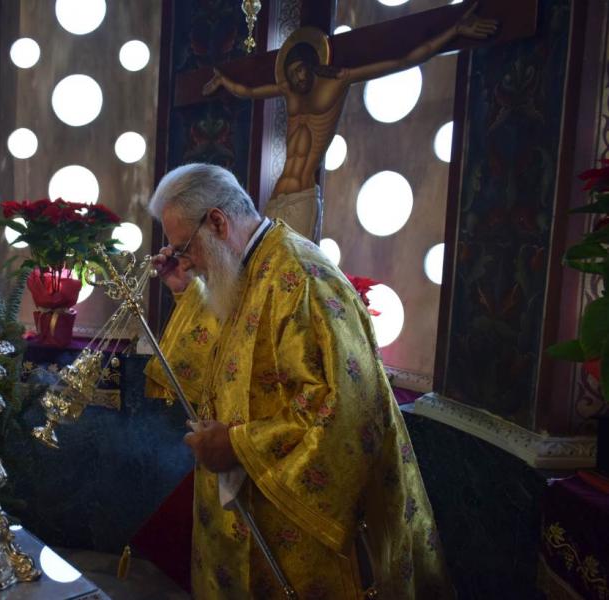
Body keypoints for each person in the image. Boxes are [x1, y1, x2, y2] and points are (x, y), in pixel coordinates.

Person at [144, 163, 452, 599]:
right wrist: (186, 289)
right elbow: (225, 359)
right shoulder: (248, 265)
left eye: (184, 247)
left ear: (217, 222)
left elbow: (345, 409)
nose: (183, 259)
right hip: (249, 501)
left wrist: (237, 444)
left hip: (300, 528)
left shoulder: (302, 278)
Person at [202, 3, 497, 242]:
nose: (298, 77)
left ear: (313, 65)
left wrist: (453, 30)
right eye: (292, 73)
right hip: (276, 197)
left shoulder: (336, 82)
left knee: (291, 274)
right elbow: (250, 90)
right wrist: (224, 81)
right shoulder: (289, 92)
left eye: (302, 70)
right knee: (263, 271)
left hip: (303, 195)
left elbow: (401, 60)